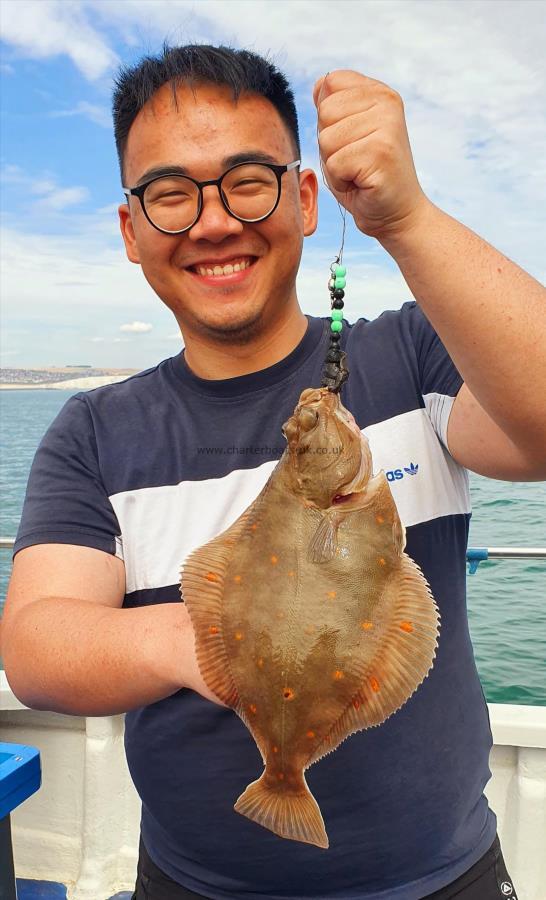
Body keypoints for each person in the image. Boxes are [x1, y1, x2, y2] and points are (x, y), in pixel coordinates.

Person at [3, 43, 544, 900]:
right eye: (170, 195)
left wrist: (406, 220)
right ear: (131, 231)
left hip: (447, 880)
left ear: (302, 198)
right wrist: (216, 643)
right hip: (186, 883)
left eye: (246, 180)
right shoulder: (95, 430)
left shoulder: (413, 352)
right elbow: (35, 647)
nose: (213, 222)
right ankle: (280, 772)